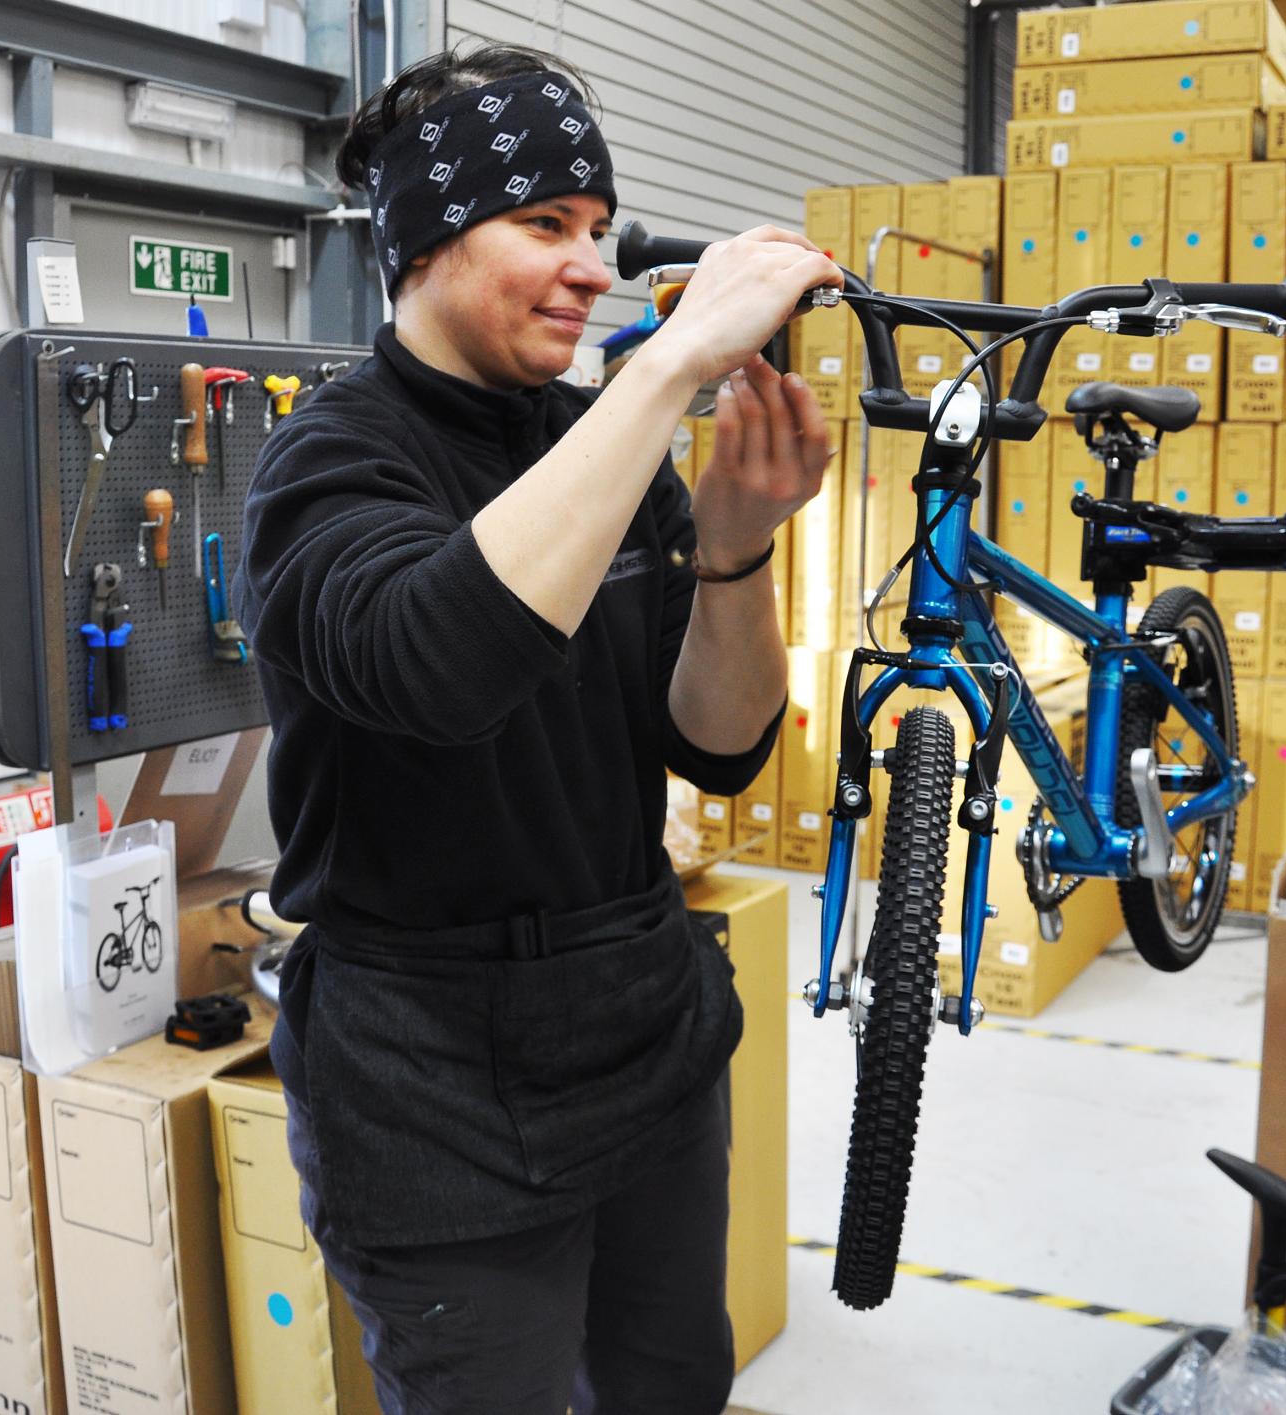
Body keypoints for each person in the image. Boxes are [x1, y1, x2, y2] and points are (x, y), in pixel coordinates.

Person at [238, 39, 838, 1415]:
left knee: (673, 1384)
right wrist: (672, 365)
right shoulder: (329, 459)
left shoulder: (611, 441)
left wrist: (738, 549)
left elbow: (722, 744)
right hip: (427, 1078)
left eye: (596, 229)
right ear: (425, 242)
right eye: (542, 226)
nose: (592, 266)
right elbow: (443, 666)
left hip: (640, 1031)